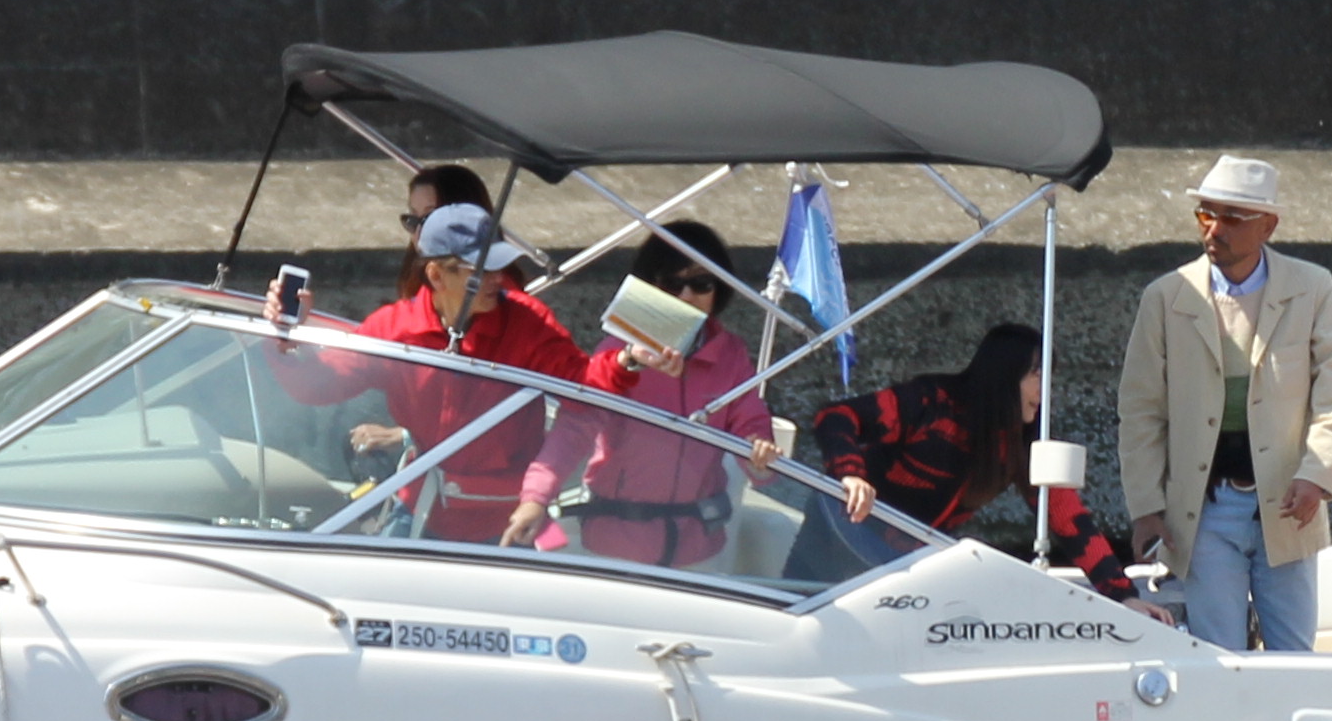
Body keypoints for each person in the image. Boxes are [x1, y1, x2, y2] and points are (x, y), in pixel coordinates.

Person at [1116, 155, 1332, 656]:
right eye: (1205, 215)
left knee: (1294, 652)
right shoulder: (1165, 297)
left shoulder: (1312, 288)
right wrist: (1147, 507)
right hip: (1203, 509)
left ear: (1268, 225)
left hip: (1288, 503)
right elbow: (1140, 410)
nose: (1213, 230)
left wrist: (1317, 473)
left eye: (1230, 218)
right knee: (1217, 655)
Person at [267, 201, 596, 543]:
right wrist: (285, 337)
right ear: (437, 276)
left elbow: (588, 400)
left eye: (498, 265)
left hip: (511, 523)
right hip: (419, 510)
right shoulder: (395, 328)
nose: (497, 279)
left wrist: (538, 495)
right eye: (480, 270)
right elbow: (316, 387)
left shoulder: (529, 323)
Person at [514, 220, 772, 565]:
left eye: (700, 283)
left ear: (718, 288)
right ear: (649, 286)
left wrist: (760, 451)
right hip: (615, 545)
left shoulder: (732, 355)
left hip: (699, 545)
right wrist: (535, 498)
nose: (686, 296)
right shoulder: (618, 354)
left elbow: (750, 421)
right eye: (672, 283)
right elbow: (574, 429)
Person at [805, 322, 1108, 566]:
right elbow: (836, 416)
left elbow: (1070, 521)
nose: (1045, 389)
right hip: (837, 538)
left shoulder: (1022, 442)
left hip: (907, 563)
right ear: (1004, 376)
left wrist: (1125, 596)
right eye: (1036, 374)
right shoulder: (931, 402)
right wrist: (851, 473)